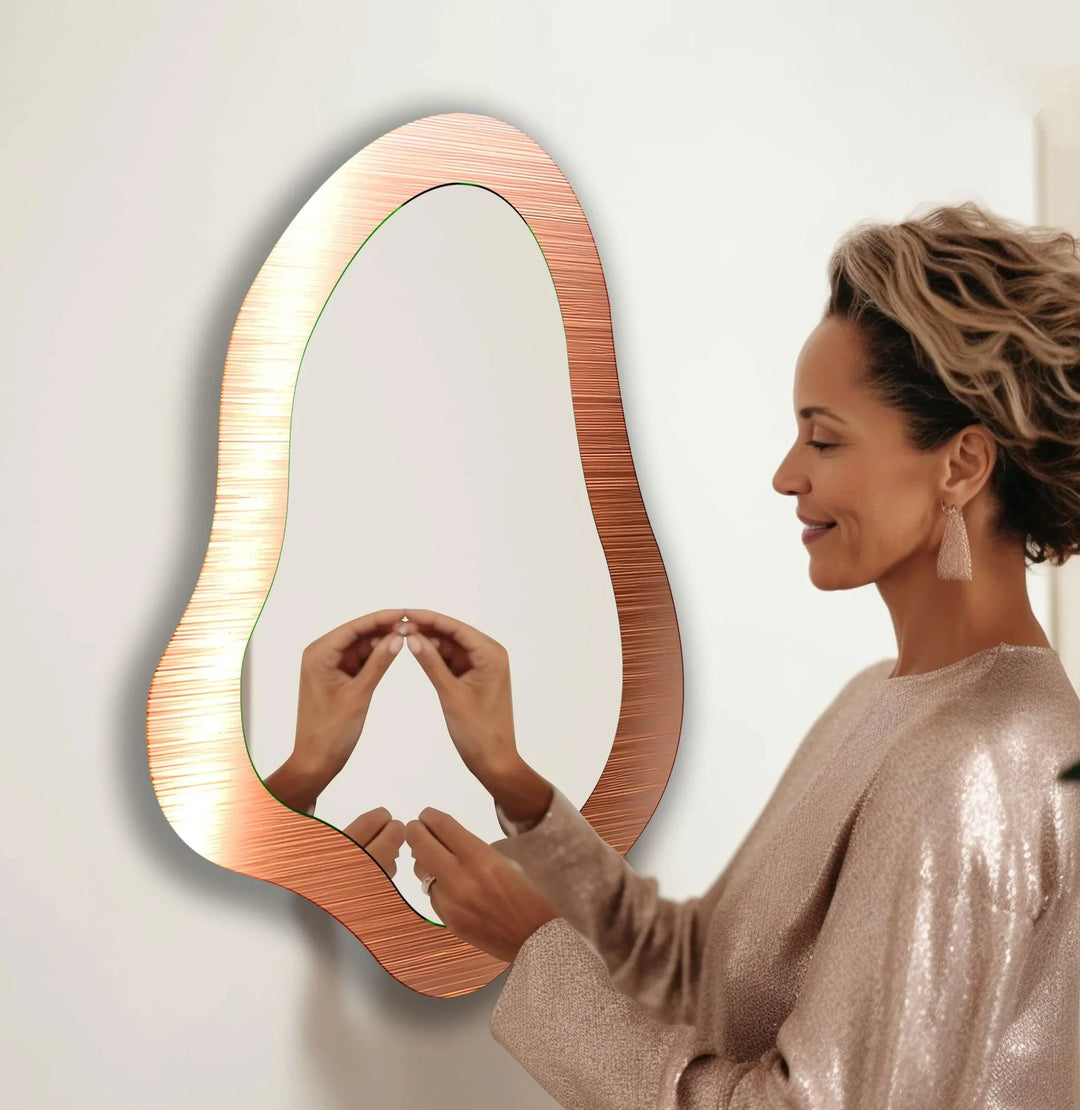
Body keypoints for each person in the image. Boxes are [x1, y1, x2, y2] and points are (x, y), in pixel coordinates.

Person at [395, 202, 1080, 1108]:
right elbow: (698, 969)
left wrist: (537, 950)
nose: (787, 475)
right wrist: (514, 785)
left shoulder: (981, 764)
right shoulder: (881, 699)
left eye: (824, 439)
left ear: (960, 466)